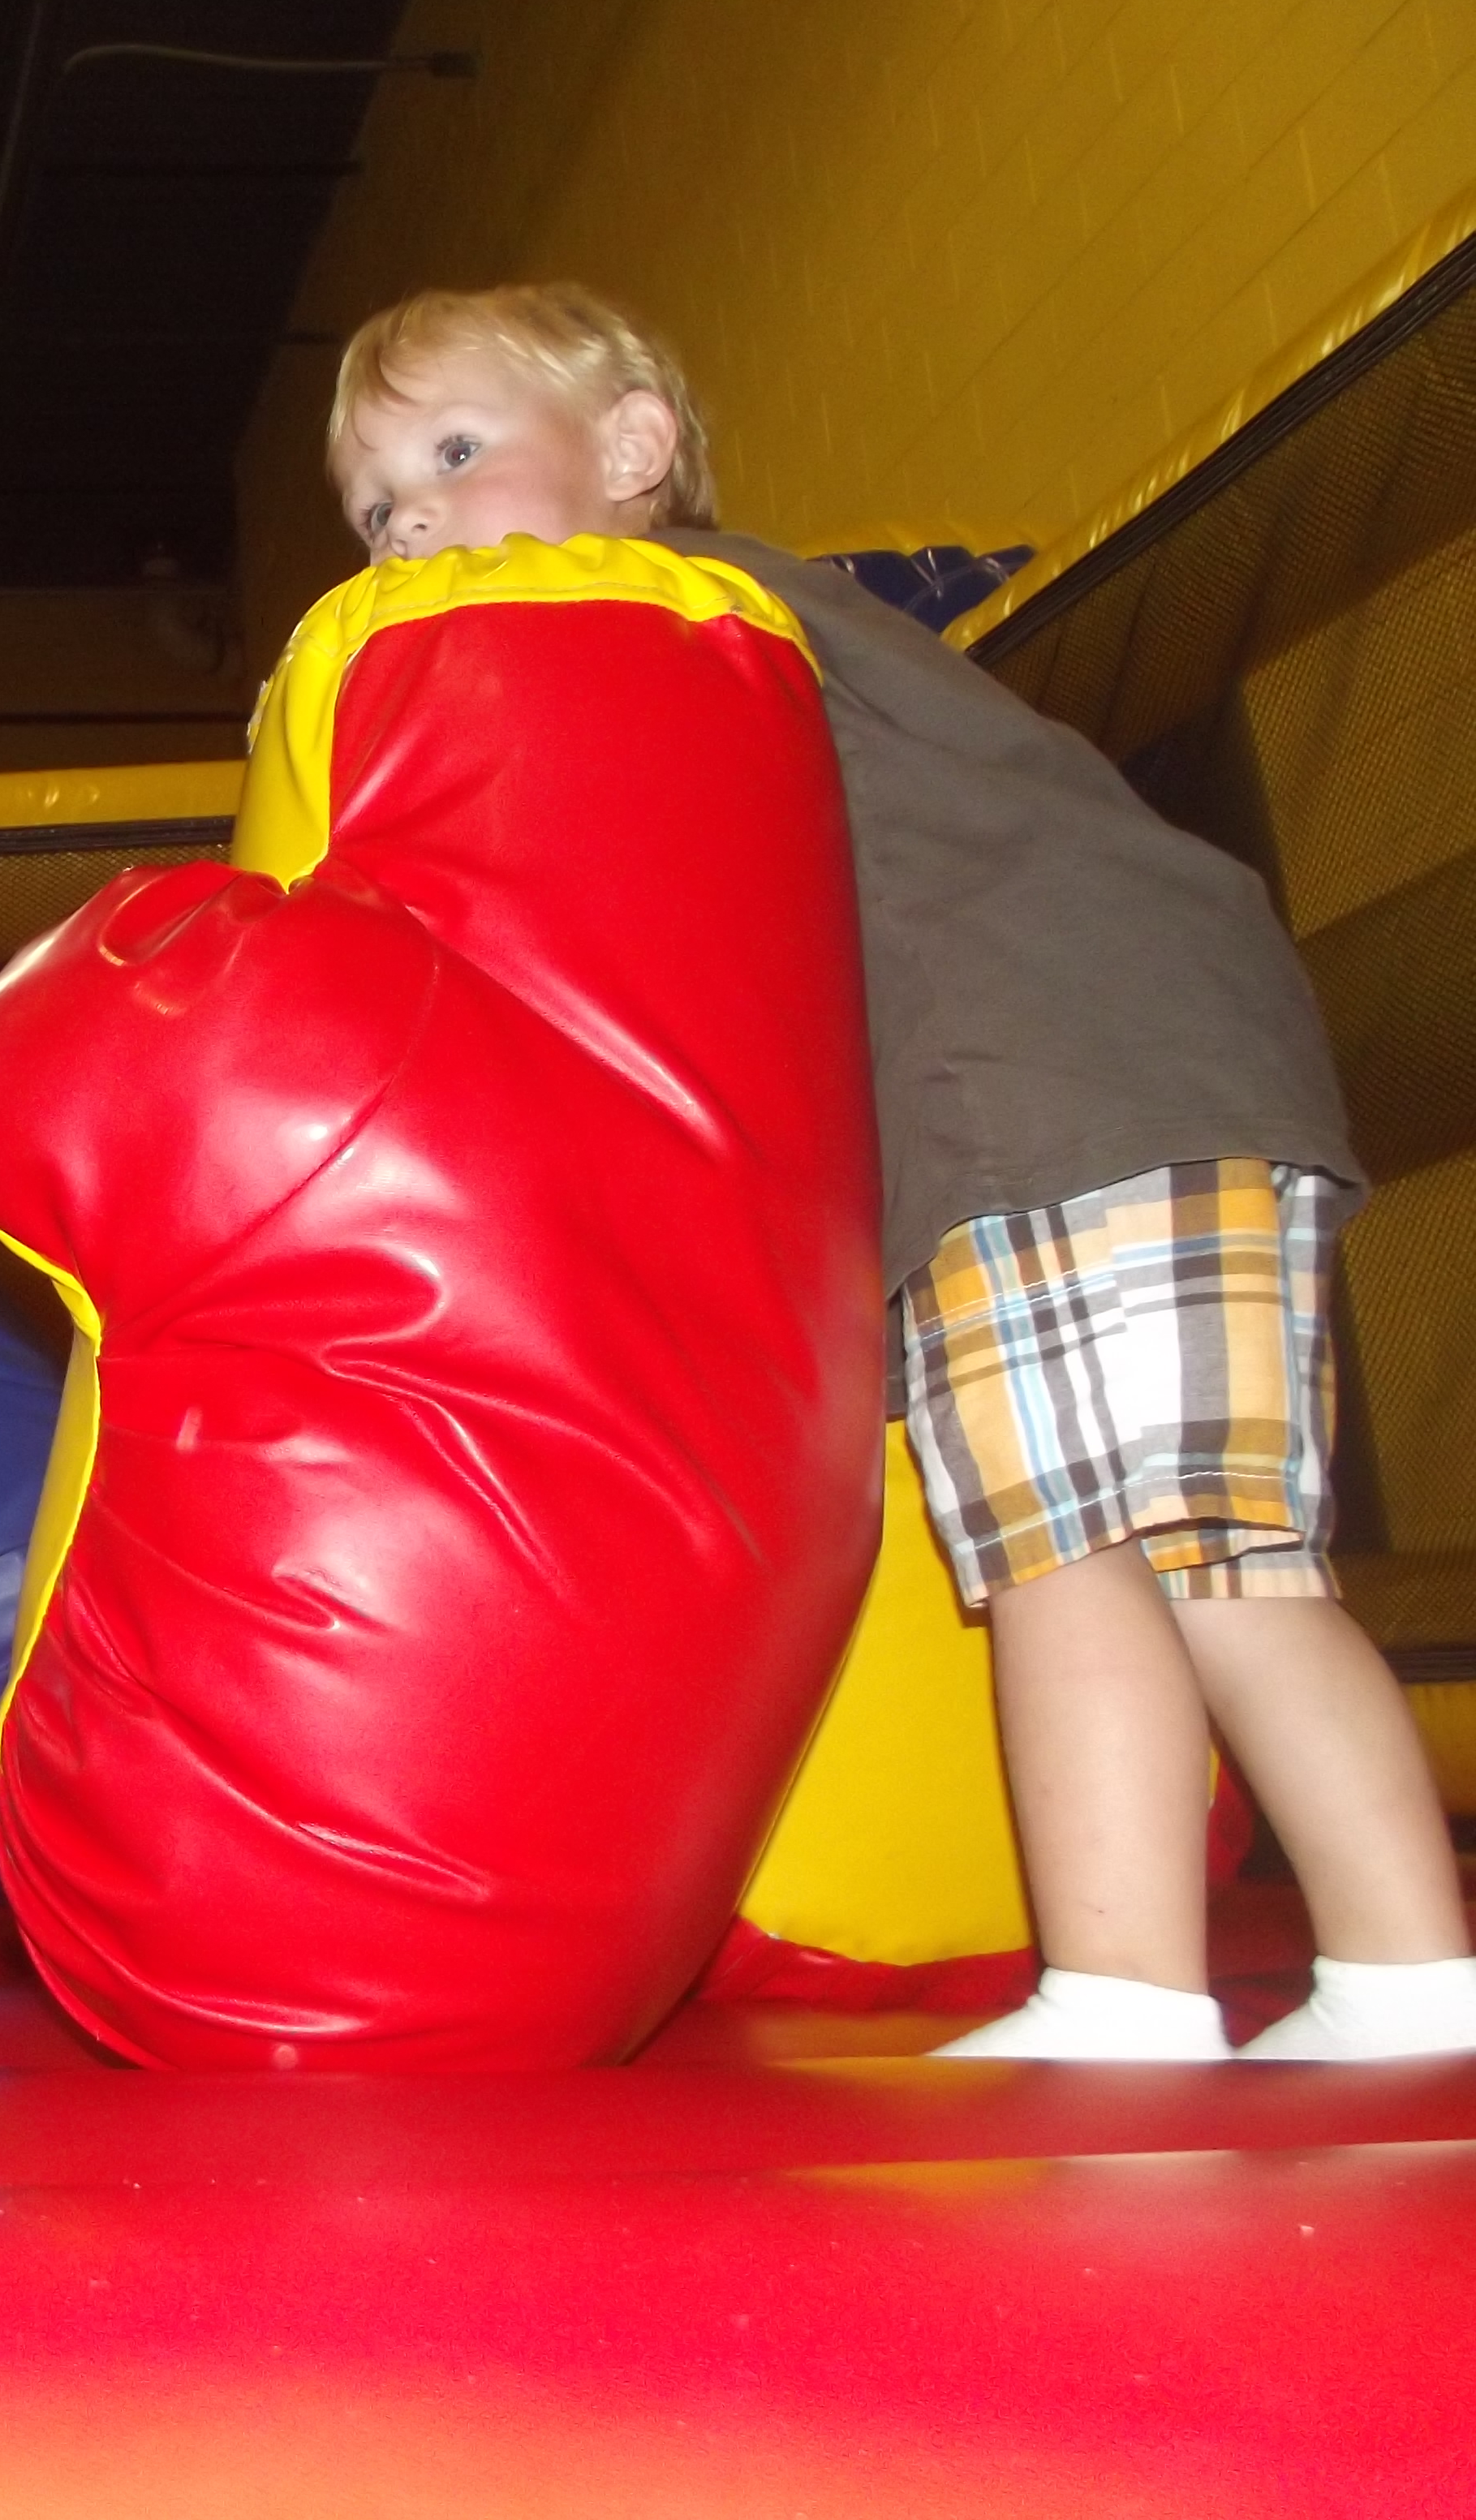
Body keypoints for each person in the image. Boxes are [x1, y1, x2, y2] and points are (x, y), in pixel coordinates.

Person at [325, 281, 1476, 2062]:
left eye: (456, 454)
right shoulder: (723, 639)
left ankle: (1317, 1978)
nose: (412, 524)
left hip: (1078, 1077)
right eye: (375, 506)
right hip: (1057, 1099)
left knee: (1175, 1555)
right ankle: (1220, 1983)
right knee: (1108, 1555)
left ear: (632, 450)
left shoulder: (679, 610)